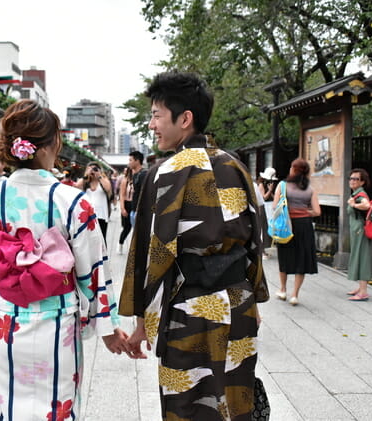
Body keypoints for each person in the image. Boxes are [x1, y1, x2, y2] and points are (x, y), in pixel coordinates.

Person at [0, 99, 131, 420]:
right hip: (59, 326)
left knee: (11, 407)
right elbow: (93, 271)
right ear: (50, 146)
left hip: (8, 324)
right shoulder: (74, 200)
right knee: (57, 410)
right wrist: (107, 326)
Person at [119, 72, 269, 420]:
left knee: (188, 401)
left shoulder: (166, 172)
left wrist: (143, 320)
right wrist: (254, 298)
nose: (152, 124)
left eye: (157, 115)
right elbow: (254, 240)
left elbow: (154, 253)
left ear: (184, 119)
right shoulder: (237, 166)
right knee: (235, 396)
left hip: (189, 308)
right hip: (238, 303)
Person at [273, 158, 321, 306]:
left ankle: (282, 289)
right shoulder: (310, 189)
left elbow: (275, 206)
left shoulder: (282, 185)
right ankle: (295, 295)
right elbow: (317, 212)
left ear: (293, 170)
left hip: (287, 225)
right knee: (302, 257)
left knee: (285, 256)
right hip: (304, 226)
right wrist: (305, 211)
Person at [346, 168, 372, 301]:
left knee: (362, 257)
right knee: (358, 256)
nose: (352, 181)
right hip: (357, 230)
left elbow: (367, 205)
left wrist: (354, 205)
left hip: (360, 230)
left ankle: (363, 292)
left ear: (362, 182)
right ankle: (361, 287)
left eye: (356, 179)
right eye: (351, 178)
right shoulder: (356, 193)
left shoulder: (360, 194)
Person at [75, 162, 113, 241]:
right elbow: (76, 186)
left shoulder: (103, 180)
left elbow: (108, 188)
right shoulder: (85, 181)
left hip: (101, 215)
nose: (93, 171)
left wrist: (99, 176)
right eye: (90, 169)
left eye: (95, 169)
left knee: (101, 239)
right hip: (87, 215)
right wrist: (86, 175)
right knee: (88, 240)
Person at [128, 150, 147, 226]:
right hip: (134, 210)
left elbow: (145, 194)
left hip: (140, 211)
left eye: (130, 160)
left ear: (137, 161)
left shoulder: (143, 174)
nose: (129, 162)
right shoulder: (135, 174)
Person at [117, 167, 133, 254]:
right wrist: (122, 208)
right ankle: (120, 243)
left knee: (134, 228)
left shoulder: (138, 180)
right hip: (127, 204)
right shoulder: (125, 180)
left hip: (135, 205)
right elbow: (122, 195)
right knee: (127, 227)